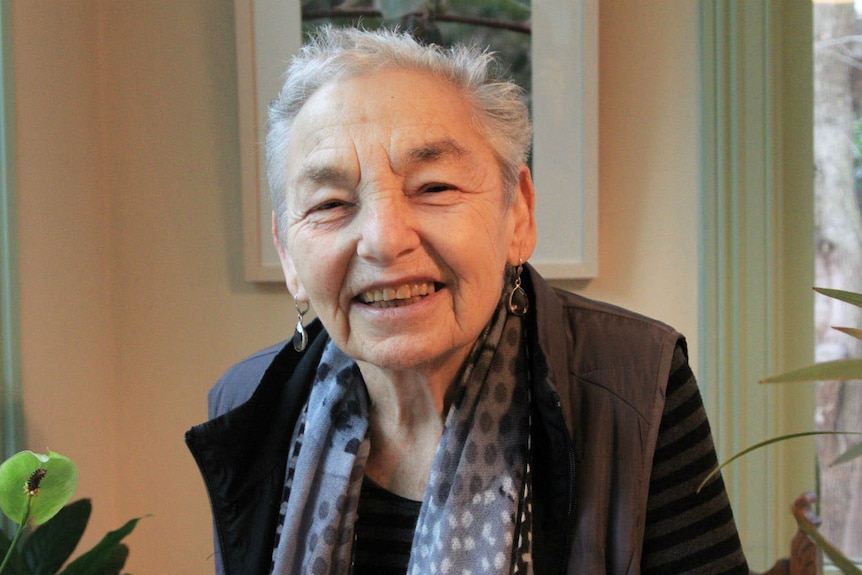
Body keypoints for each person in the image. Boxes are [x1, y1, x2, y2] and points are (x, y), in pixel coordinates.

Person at [186, 26, 749, 575]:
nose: (384, 240)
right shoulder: (246, 403)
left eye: (435, 187)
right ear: (290, 256)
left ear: (518, 215)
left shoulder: (632, 382)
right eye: (331, 203)